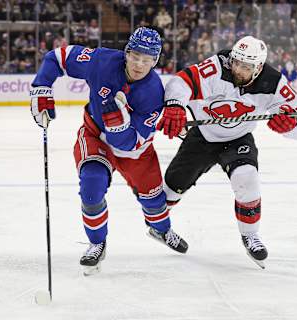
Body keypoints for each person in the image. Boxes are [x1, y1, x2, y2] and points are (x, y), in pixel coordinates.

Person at [30, 27, 188, 275]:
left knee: (155, 203)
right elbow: (57, 58)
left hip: (136, 150)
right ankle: (97, 243)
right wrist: (41, 88)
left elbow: (131, 143)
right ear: (126, 53)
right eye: (135, 56)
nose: (139, 64)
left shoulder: (154, 93)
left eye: (147, 60)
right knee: (91, 187)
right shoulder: (101, 61)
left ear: (155, 61)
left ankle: (160, 229)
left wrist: (120, 125)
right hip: (95, 136)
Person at [156, 36, 297, 268]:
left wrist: (291, 125)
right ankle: (159, 229)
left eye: (246, 67)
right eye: (236, 62)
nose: (238, 69)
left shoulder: (274, 82)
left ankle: (250, 234)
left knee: (247, 178)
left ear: (258, 68)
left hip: (238, 139)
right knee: (170, 189)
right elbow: (181, 82)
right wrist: (175, 105)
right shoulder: (216, 67)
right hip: (202, 136)